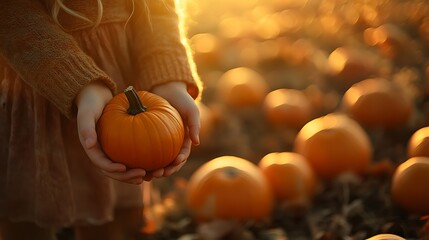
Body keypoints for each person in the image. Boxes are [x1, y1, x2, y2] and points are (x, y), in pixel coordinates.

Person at [0, 0, 202, 239]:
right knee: (25, 216)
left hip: (117, 91)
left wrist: (167, 77)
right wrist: (80, 83)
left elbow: (158, 7)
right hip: (35, 82)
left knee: (114, 219)